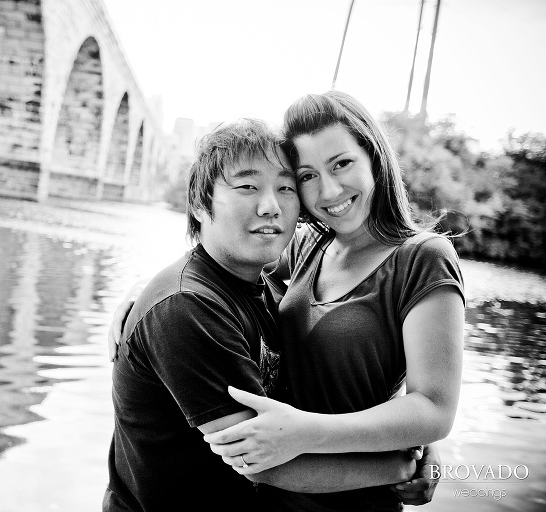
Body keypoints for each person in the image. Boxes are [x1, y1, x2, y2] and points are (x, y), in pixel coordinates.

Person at [104, 118, 432, 512]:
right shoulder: (187, 308)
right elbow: (260, 461)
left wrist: (414, 440)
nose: (270, 206)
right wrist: (401, 467)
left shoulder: (265, 287)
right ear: (199, 202)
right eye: (247, 187)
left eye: (286, 188)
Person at [202, 91, 465, 511]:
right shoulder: (308, 246)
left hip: (356, 499)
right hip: (273, 496)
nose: (329, 190)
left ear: (374, 158)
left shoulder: (422, 257)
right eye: (307, 176)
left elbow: (434, 409)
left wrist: (310, 431)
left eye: (341, 164)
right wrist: (146, 296)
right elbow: (222, 268)